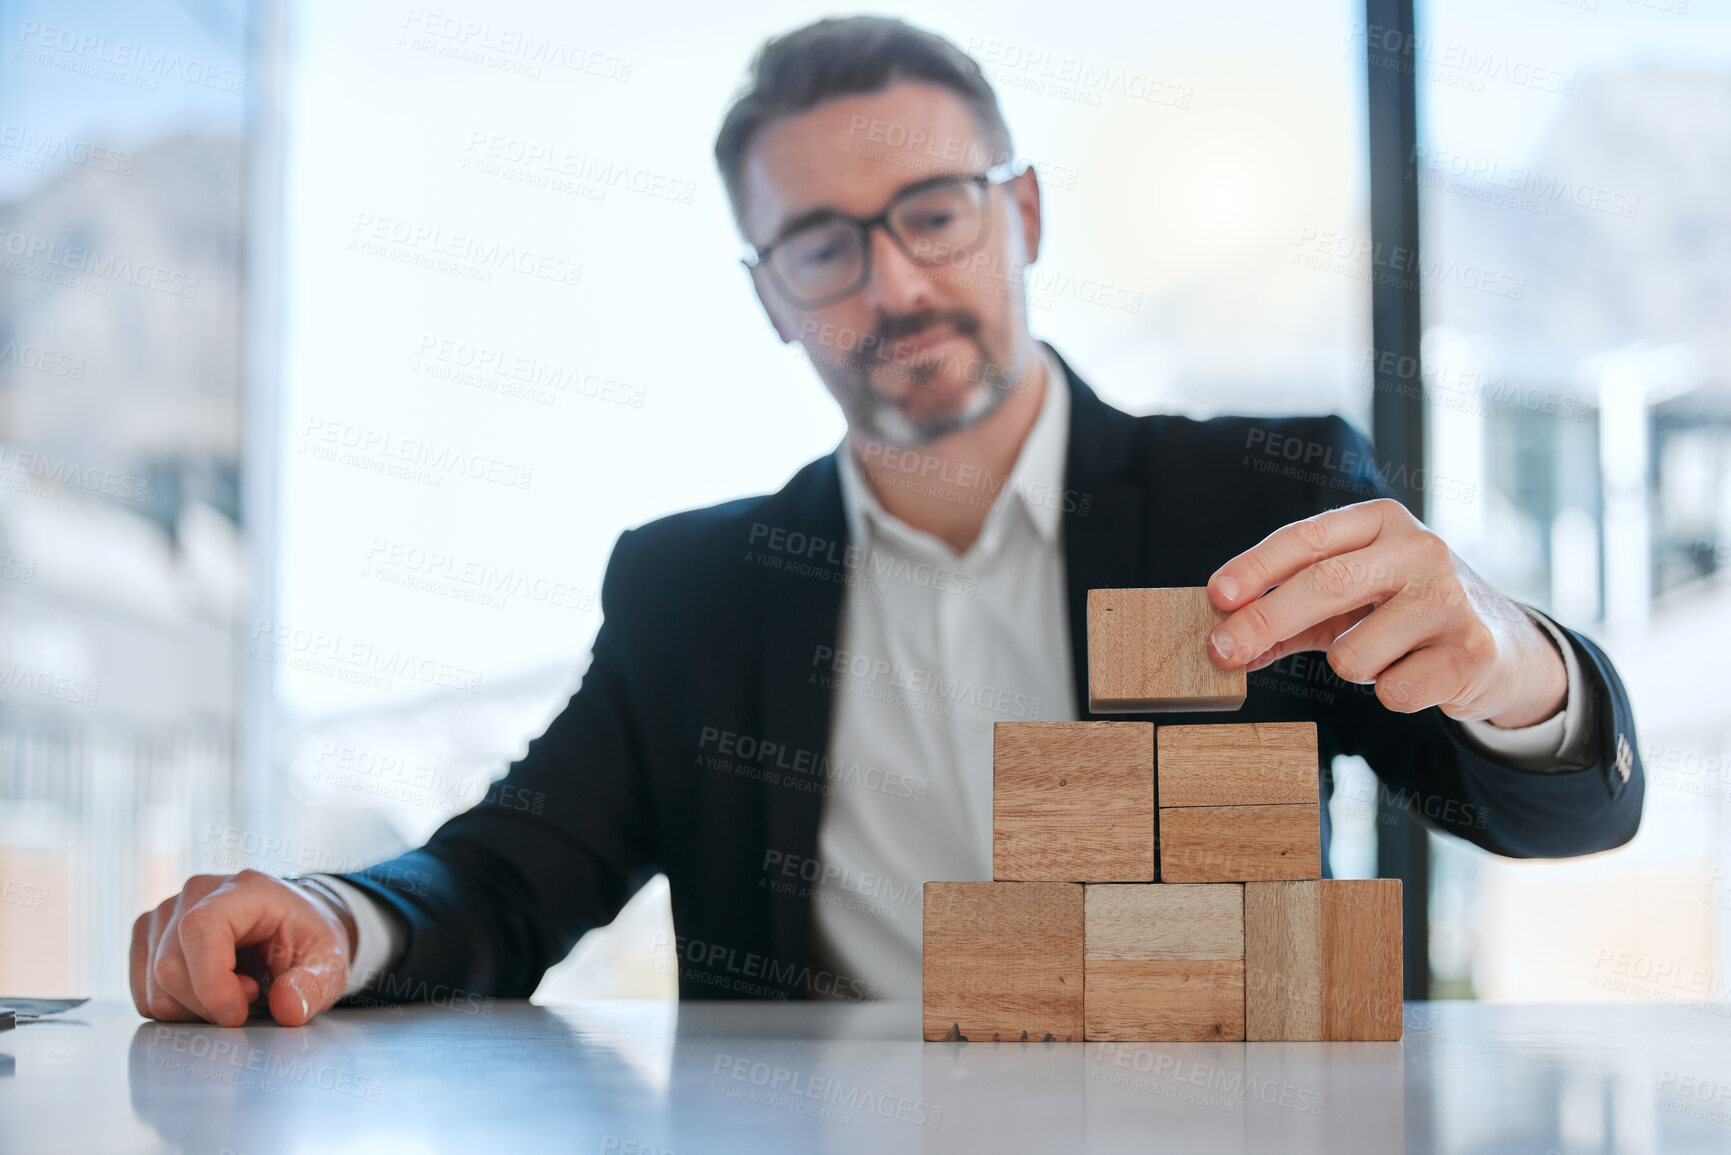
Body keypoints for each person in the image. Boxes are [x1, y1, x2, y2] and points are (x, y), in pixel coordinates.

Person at [131, 16, 1642, 1027]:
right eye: (822, 245)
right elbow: (502, 882)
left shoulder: (1257, 495)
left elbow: (1553, 807)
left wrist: (1510, 660)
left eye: (935, 211)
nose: (898, 285)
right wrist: (332, 912)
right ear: (769, 296)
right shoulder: (693, 592)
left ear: (1024, 215)